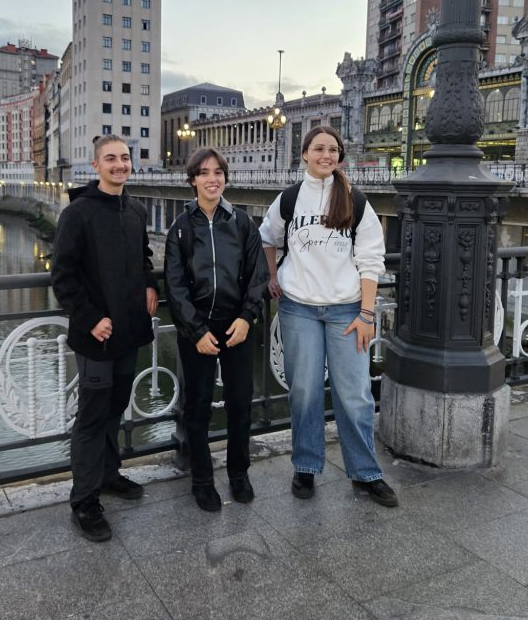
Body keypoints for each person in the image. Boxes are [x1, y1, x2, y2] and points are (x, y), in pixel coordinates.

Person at [259, 125, 397, 507]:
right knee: (303, 391)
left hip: (347, 311)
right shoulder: (288, 199)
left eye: (333, 149)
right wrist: (273, 276)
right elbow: (267, 237)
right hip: (298, 308)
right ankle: (306, 466)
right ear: (304, 154)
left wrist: (367, 314)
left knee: (354, 395)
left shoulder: (355, 200)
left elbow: (371, 261)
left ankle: (366, 472)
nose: (326, 155)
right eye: (318, 148)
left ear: (339, 156)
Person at [51, 135, 159, 541]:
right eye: (111, 159)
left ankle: (109, 475)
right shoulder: (77, 214)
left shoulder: (135, 209)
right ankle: (84, 501)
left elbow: (144, 255)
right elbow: (62, 274)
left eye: (125, 158)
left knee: (116, 406)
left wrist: (150, 284)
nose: (119, 165)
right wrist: (91, 317)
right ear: (95, 165)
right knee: (92, 417)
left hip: (129, 329)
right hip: (96, 334)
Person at [164, 148, 269, 511]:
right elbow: (175, 287)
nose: (213, 178)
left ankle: (239, 474)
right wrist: (195, 331)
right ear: (192, 179)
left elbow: (258, 276)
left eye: (219, 172)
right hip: (199, 329)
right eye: (204, 172)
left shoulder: (241, 223)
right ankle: (203, 479)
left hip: (236, 325)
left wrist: (246, 317)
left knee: (241, 403)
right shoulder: (180, 228)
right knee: (198, 407)